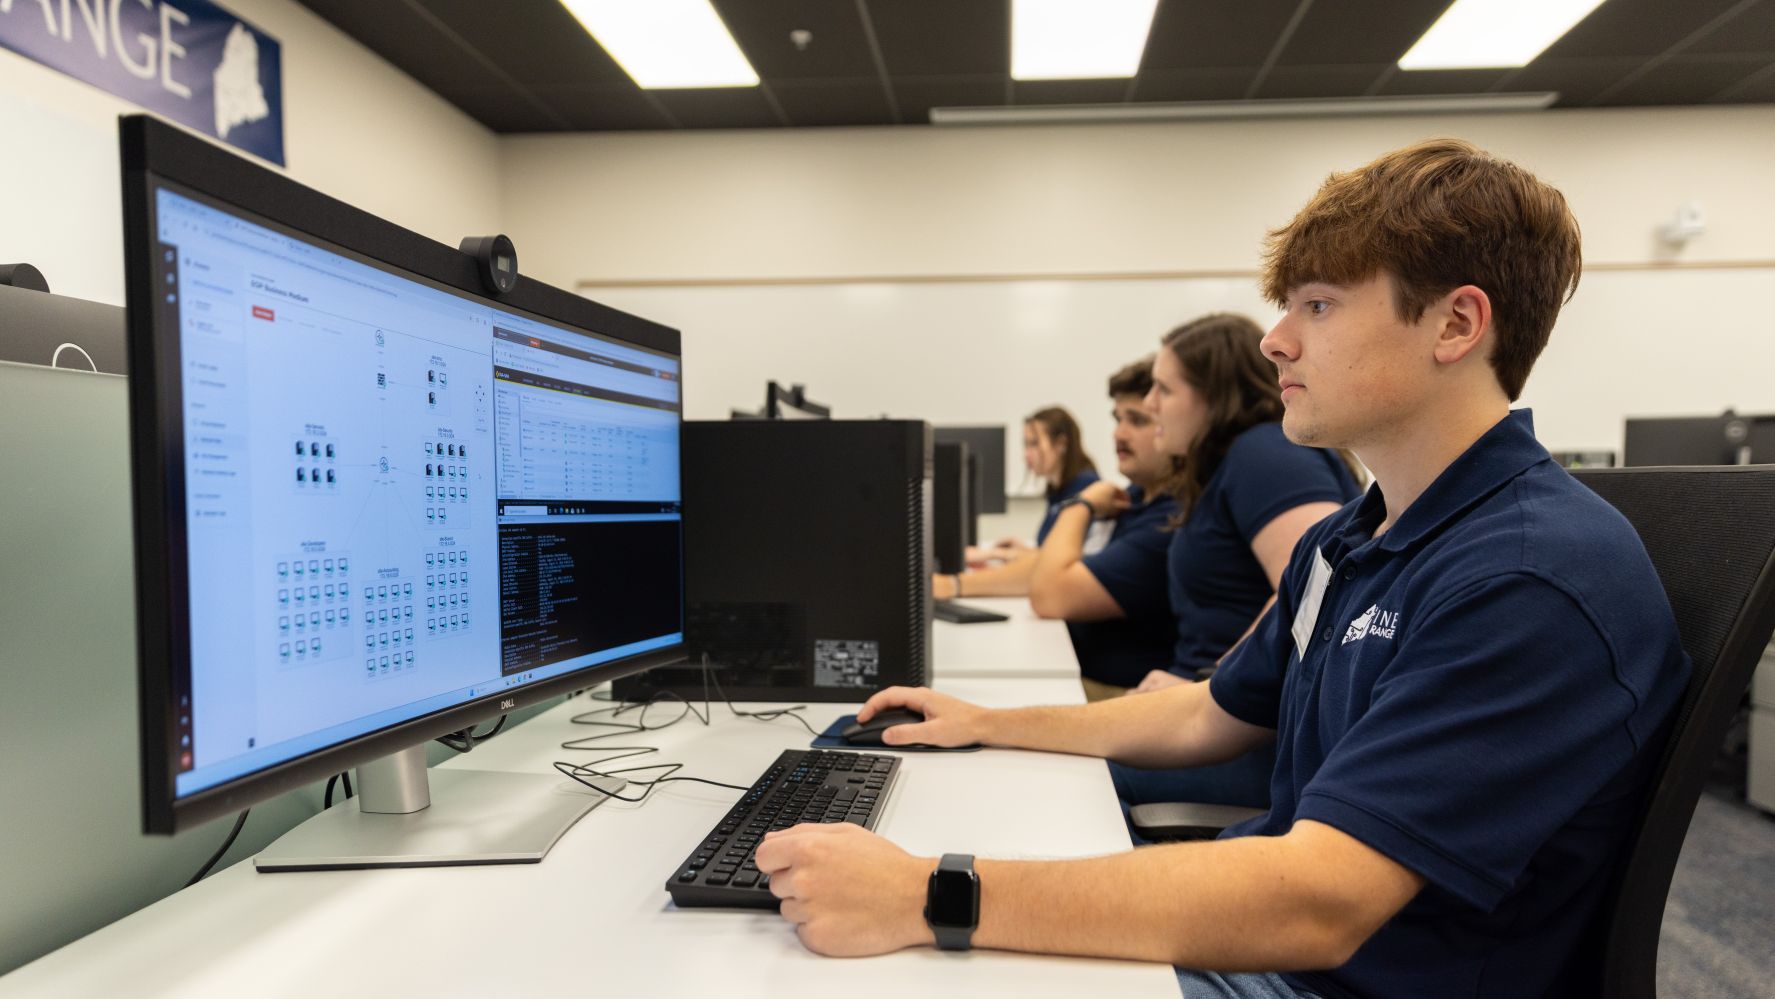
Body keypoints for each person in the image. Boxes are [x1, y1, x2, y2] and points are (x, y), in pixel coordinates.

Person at [753, 138, 1689, 999]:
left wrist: (929, 895)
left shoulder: (1525, 578)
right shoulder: (1359, 537)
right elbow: (1208, 710)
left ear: (1454, 324)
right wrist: (986, 721)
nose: (1275, 341)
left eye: (1316, 305)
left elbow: (1319, 902)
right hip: (1271, 953)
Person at [1110, 314, 1362, 812]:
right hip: (1218, 717)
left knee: (1084, 781)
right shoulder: (1233, 463)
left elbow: (1319, 583)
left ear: (1213, 396)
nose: (1149, 404)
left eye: (1163, 389)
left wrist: (1209, 683)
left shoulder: (1264, 454)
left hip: (1246, 738)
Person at [1023, 358, 1179, 702]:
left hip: (1116, 692)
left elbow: (1048, 593)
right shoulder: (1130, 499)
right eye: (1117, 419)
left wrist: (1082, 505)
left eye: (1136, 420)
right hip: (1084, 675)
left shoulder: (1170, 519)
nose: (1118, 434)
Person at [935, 406, 1097, 600]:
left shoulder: (1086, 492)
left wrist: (1000, 555)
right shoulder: (1058, 491)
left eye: (1034, 444)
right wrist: (1020, 551)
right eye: (1025, 445)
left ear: (1061, 444)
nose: (1026, 455)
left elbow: (1066, 562)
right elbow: (1049, 553)